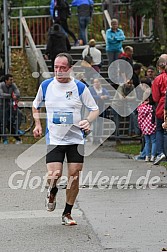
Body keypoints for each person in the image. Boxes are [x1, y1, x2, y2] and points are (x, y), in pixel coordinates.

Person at [32, 53, 99, 226]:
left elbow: (94, 109)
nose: (59, 71)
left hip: (76, 138)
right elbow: (35, 105)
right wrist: (38, 124)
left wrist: (88, 120)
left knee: (74, 175)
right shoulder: (46, 85)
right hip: (55, 138)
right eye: (56, 67)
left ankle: (67, 213)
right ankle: (52, 190)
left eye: (63, 68)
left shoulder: (79, 87)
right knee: (55, 174)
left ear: (70, 68)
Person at [152, 57, 167, 165]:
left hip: (162, 106)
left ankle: (161, 152)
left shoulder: (158, 79)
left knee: (160, 130)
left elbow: (155, 97)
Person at [0, 74, 23, 144]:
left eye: (12, 80)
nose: (12, 81)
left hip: (9, 105)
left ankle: (17, 129)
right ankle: (5, 139)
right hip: (1, 106)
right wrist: (11, 96)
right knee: (4, 123)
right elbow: (1, 95)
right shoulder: (1, 85)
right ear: (6, 80)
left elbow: (18, 93)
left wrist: (15, 96)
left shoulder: (13, 85)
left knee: (19, 113)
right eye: (10, 80)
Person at [89, 78, 111, 144]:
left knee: (100, 124)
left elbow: (108, 95)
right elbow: (91, 96)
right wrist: (99, 97)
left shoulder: (103, 89)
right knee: (96, 124)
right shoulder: (91, 89)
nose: (96, 83)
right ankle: (95, 139)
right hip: (94, 109)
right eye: (95, 82)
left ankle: (98, 139)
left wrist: (105, 97)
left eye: (97, 82)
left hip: (102, 109)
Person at [137, 93, 156, 162]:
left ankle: (147, 156)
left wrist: (141, 127)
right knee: (154, 141)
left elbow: (139, 119)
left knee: (147, 142)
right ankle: (153, 156)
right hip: (152, 125)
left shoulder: (140, 108)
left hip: (144, 126)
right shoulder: (152, 107)